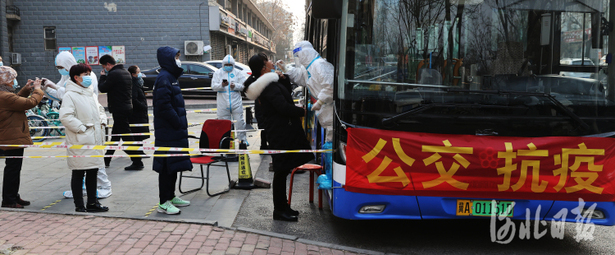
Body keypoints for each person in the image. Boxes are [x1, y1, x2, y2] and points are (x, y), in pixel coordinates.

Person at [244, 54, 314, 221]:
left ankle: (284, 206)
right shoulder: (266, 86)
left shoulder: (270, 82)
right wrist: (302, 112)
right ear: (263, 68)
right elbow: (282, 106)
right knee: (281, 170)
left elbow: (286, 95)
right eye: (267, 60)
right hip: (279, 132)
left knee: (283, 170)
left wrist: (282, 77)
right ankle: (279, 210)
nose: (271, 61)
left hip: (283, 130)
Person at [44, 51, 112, 199]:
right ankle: (82, 193)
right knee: (80, 165)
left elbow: (98, 107)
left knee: (95, 162)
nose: (60, 70)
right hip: (82, 132)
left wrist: (99, 122)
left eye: (61, 66)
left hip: (90, 130)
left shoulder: (86, 81)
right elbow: (63, 101)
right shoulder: (67, 79)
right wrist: (47, 88)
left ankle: (104, 187)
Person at [278, 41, 335, 188]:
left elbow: (330, 86)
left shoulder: (320, 65)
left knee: (331, 142)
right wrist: (285, 69)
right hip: (324, 112)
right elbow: (299, 77)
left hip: (329, 109)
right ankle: (329, 175)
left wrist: (320, 102)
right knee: (329, 142)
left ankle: (333, 177)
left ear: (306, 52)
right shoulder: (309, 68)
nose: (299, 58)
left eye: (299, 54)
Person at [59, 64, 109, 213]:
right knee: (79, 171)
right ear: (76, 77)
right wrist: (82, 128)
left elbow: (100, 109)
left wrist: (103, 121)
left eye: (89, 73)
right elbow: (66, 116)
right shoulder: (70, 95)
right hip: (80, 140)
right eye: (85, 74)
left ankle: (92, 203)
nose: (88, 76)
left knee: (93, 171)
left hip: (95, 139)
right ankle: (79, 205)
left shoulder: (90, 93)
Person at [152, 46, 192, 215]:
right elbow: (163, 106)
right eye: (176, 56)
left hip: (174, 130)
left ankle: (171, 196)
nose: (178, 59)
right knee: (166, 167)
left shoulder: (171, 76)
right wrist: (177, 121)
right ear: (168, 59)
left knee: (174, 165)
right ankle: (163, 202)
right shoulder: (164, 78)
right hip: (168, 131)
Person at [0, 67, 44, 208]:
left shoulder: (5, 95)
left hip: (12, 135)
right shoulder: (5, 96)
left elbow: (17, 100)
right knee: (13, 169)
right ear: (5, 81)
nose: (14, 81)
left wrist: (26, 89)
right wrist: (38, 89)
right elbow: (29, 103)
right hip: (11, 137)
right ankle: (9, 200)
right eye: (12, 79)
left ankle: (13, 196)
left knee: (14, 169)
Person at [98, 54, 145, 170]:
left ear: (108, 64)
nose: (104, 69)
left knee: (127, 136)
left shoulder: (114, 74)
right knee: (115, 136)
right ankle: (106, 160)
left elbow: (103, 88)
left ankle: (137, 161)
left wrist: (103, 77)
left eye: (104, 67)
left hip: (119, 109)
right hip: (127, 107)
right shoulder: (125, 72)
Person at [211, 55, 249, 144]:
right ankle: (225, 142)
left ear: (233, 64)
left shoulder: (238, 73)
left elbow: (244, 86)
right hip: (222, 102)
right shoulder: (218, 73)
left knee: (239, 122)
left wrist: (235, 86)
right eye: (226, 64)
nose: (228, 66)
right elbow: (213, 86)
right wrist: (222, 85)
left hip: (236, 101)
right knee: (223, 123)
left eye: (230, 64)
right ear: (223, 64)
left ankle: (242, 140)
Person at [126, 65, 150, 170]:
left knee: (140, 134)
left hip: (141, 113)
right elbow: (134, 99)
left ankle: (139, 152)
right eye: (138, 72)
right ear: (133, 74)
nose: (140, 73)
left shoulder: (138, 83)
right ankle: (135, 153)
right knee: (137, 133)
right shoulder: (133, 85)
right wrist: (143, 106)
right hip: (137, 114)